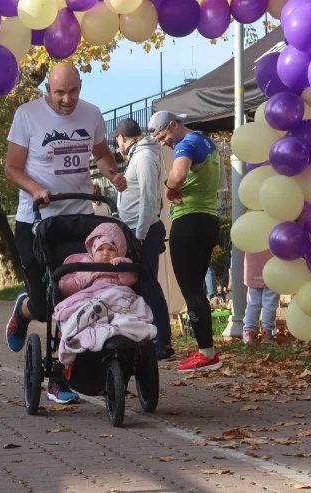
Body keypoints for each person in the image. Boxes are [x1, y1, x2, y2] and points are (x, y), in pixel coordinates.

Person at [3, 63, 127, 403]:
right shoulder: (27, 115)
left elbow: (101, 154)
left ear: (81, 86)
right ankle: (24, 310)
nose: (67, 100)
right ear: (48, 90)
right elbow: (12, 168)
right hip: (36, 221)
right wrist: (36, 188)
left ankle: (61, 377)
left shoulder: (92, 114)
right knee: (46, 308)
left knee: (79, 301)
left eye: (73, 91)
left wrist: (112, 174)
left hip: (78, 222)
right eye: (60, 93)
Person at [151, 111, 223, 372]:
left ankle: (207, 354)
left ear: (173, 125)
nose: (163, 142)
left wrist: (169, 188)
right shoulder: (206, 142)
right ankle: (206, 351)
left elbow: (179, 175)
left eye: (163, 135)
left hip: (189, 221)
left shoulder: (187, 143)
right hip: (208, 220)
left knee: (191, 289)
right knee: (197, 289)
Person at [54, 223, 155, 392]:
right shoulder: (86, 266)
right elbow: (75, 284)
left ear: (119, 251)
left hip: (119, 294)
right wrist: (59, 286)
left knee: (128, 309)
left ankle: (118, 327)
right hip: (94, 295)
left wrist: (122, 264)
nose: (106, 253)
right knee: (82, 310)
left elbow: (130, 280)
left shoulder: (124, 264)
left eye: (111, 249)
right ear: (93, 252)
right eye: (100, 250)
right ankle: (82, 334)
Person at [110, 118, 174, 360]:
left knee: (148, 284)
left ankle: (163, 341)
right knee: (139, 285)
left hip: (143, 231)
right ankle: (146, 337)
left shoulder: (145, 157)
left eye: (117, 139)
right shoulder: (139, 155)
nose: (118, 145)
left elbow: (149, 200)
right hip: (137, 230)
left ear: (124, 138)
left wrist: (138, 236)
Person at [242, 250, 277, 343]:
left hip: (252, 269)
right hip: (273, 269)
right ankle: (267, 332)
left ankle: (249, 332)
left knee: (252, 303)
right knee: (270, 303)